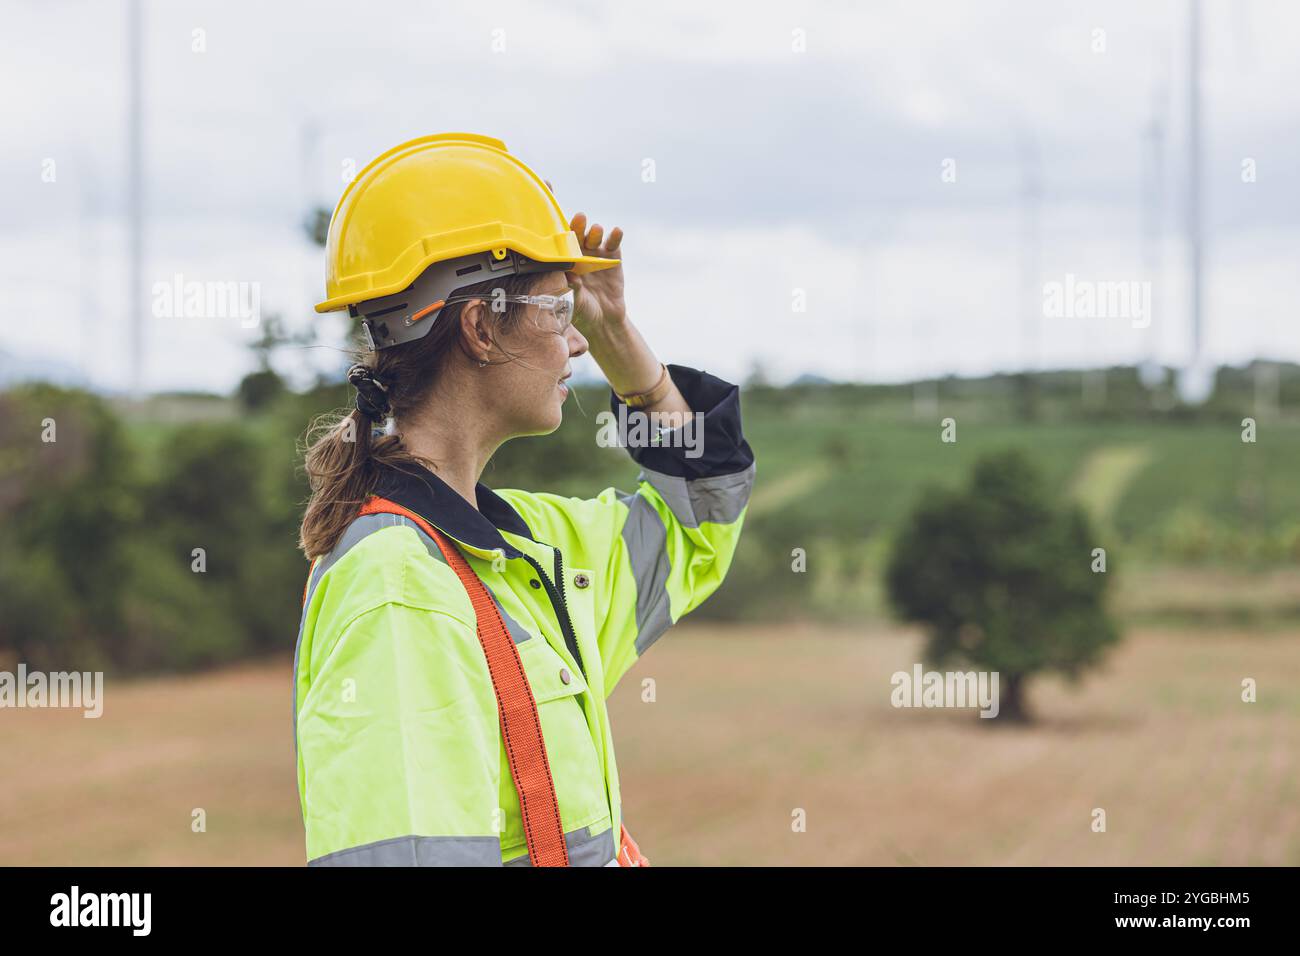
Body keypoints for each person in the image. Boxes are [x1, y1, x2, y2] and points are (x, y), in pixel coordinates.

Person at [293, 133, 755, 866]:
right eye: (558, 311)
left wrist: (618, 338)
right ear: (480, 328)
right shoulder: (400, 590)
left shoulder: (528, 552)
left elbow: (700, 514)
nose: (576, 345)